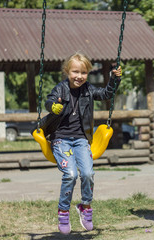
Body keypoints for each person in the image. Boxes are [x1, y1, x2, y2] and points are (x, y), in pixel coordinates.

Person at [38, 53, 122, 235]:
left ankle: (85, 206)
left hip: (82, 140)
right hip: (61, 140)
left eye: (83, 72)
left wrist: (115, 79)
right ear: (67, 71)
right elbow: (49, 100)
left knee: (88, 173)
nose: (79, 76)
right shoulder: (60, 89)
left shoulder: (89, 90)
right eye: (75, 71)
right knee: (70, 174)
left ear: (87, 73)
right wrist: (53, 106)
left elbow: (106, 93)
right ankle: (63, 211)